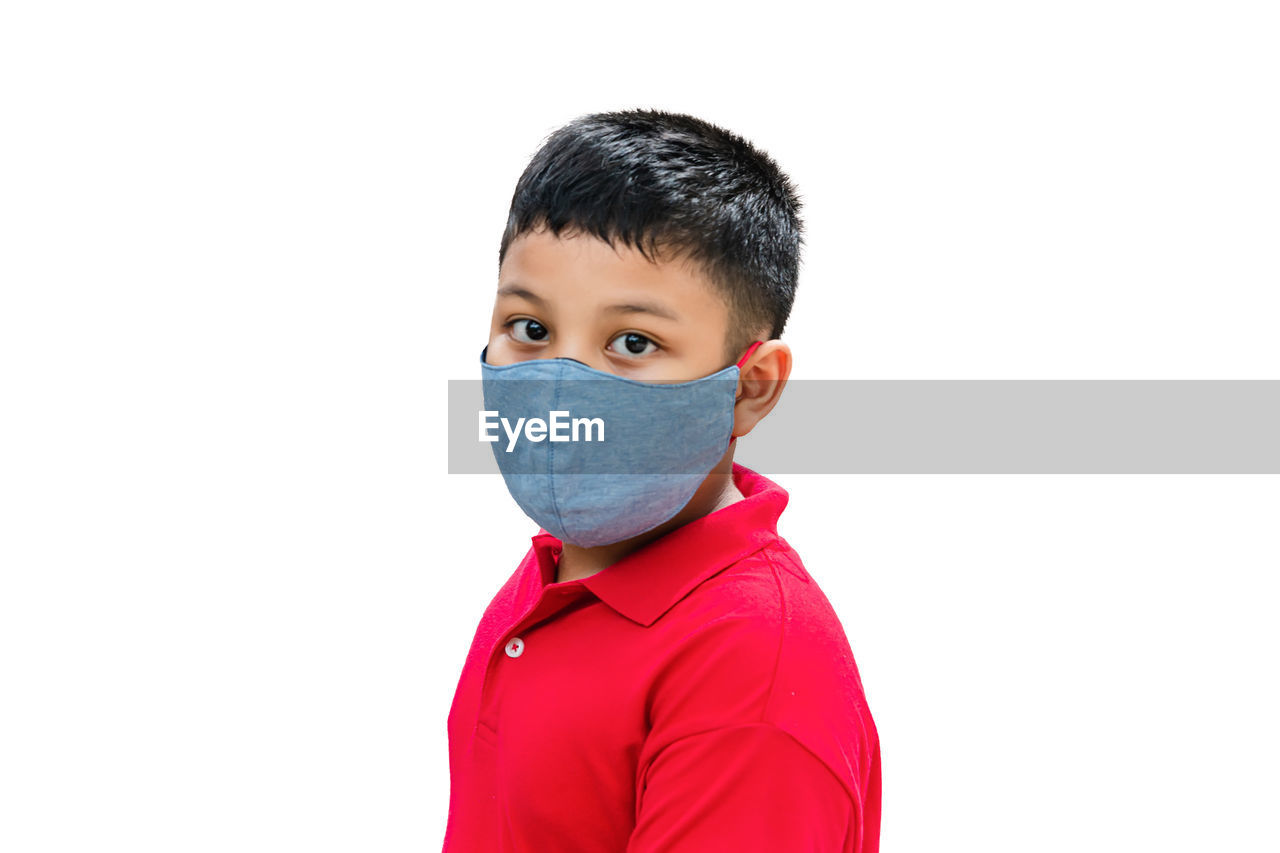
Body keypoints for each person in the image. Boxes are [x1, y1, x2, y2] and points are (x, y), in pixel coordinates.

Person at [445, 109, 880, 852]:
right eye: (531, 328)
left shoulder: (754, 668)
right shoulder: (557, 573)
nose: (559, 385)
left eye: (633, 342)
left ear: (750, 387)